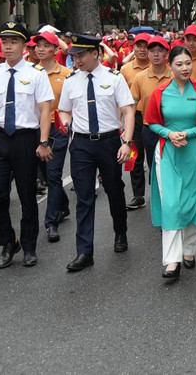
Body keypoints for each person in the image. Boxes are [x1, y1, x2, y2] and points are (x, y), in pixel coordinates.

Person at [58, 34, 135, 272]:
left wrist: (127, 142)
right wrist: (66, 122)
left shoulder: (114, 78)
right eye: (74, 55)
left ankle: (120, 232)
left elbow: (129, 111)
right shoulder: (71, 81)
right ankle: (84, 251)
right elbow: (64, 110)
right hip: (81, 144)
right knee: (84, 196)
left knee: (114, 189)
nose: (76, 60)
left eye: (80, 55)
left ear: (95, 54)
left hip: (109, 141)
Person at [0, 22, 54, 268]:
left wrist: (43, 142)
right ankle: (9, 241)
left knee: (26, 195)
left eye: (13, 42)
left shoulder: (36, 74)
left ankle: (30, 245)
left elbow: (45, 110)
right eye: (5, 41)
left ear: (24, 46)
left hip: (26, 137)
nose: (8, 46)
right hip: (0, 137)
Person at [144, 46, 196, 281]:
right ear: (170, 65)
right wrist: (168, 134)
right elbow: (152, 122)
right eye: (179, 64)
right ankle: (172, 260)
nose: (185, 68)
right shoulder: (160, 92)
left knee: (194, 201)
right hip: (167, 153)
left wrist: (188, 133)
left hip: (194, 152)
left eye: (188, 63)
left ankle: (189, 251)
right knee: (172, 204)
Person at [33, 31, 73, 243]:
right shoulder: (30, 72)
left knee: (54, 174)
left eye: (45, 45)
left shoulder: (67, 73)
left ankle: (51, 222)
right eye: (37, 45)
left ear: (56, 50)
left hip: (58, 130)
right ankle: (64, 206)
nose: (40, 49)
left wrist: (68, 121)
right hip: (35, 130)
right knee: (46, 175)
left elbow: (73, 102)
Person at [130, 36, 172, 194]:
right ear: (147, 54)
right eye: (152, 51)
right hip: (150, 128)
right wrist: (127, 129)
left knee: (172, 166)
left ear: (166, 54)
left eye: (160, 50)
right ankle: (157, 199)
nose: (155, 54)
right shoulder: (140, 77)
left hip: (172, 129)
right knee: (154, 165)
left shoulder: (175, 75)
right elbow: (132, 105)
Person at [120, 33, 152, 210]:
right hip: (135, 117)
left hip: (155, 119)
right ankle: (138, 195)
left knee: (156, 158)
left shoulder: (159, 67)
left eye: (146, 46)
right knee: (135, 156)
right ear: (133, 47)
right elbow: (120, 98)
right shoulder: (125, 69)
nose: (142, 50)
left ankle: (158, 192)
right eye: (139, 46)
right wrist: (121, 122)